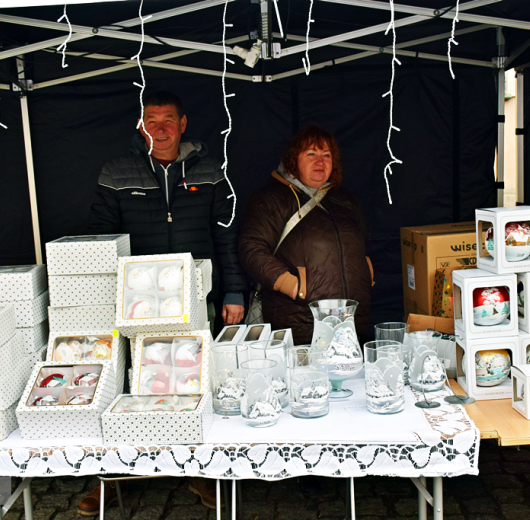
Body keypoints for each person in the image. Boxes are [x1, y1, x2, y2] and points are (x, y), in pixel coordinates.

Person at [79, 91, 246, 515]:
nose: (160, 128)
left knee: (194, 379)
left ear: (184, 123)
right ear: (140, 125)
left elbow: (226, 234)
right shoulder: (116, 171)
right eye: (151, 120)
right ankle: (116, 474)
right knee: (130, 384)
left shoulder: (210, 169)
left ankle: (201, 472)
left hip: (196, 297)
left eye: (168, 119)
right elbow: (102, 240)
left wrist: (232, 291)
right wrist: (105, 302)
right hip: (136, 303)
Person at [239, 125, 373, 344]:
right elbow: (252, 249)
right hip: (300, 319)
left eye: (326, 155)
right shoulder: (271, 199)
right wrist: (293, 286)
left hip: (353, 319)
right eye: (311, 154)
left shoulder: (346, 200)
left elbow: (363, 244)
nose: (320, 161)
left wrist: (367, 273)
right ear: (294, 159)